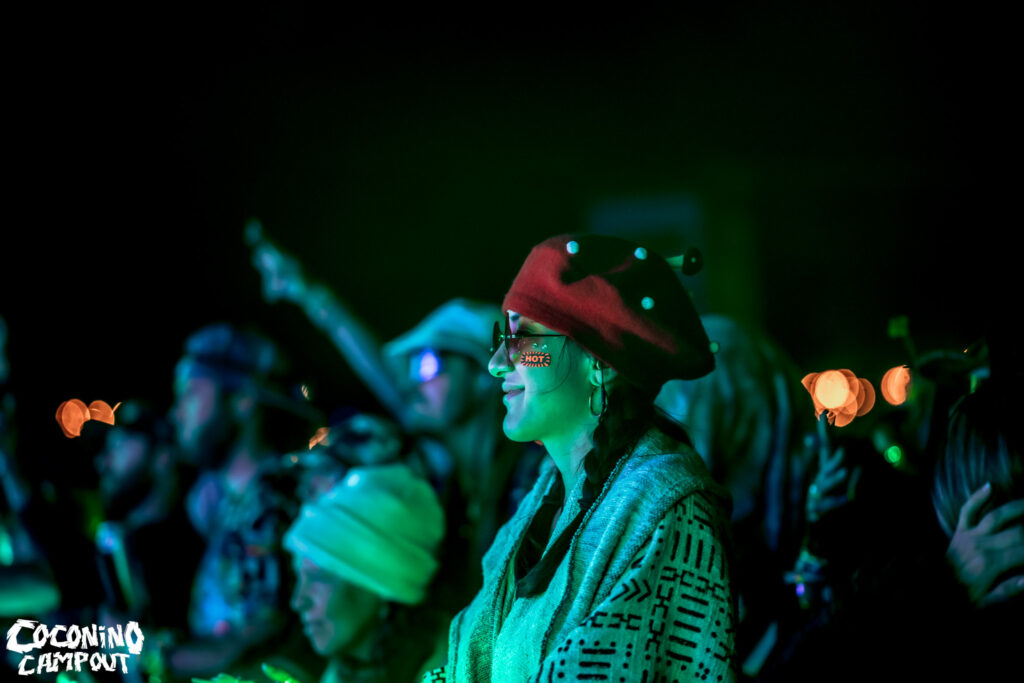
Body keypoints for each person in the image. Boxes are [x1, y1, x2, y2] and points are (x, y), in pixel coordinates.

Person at [434, 234, 738, 681]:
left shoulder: (668, 510)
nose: (497, 362)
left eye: (525, 338)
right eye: (504, 336)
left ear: (602, 363)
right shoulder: (543, 498)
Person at [250, 224, 542, 610]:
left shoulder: (532, 477)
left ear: (481, 377)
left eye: (429, 363)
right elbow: (383, 373)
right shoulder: (447, 479)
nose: (413, 380)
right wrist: (307, 292)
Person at [160, 322, 320, 681]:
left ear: (243, 401)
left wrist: (151, 656)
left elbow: (255, 642)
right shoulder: (228, 501)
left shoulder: (271, 504)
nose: (177, 413)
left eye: (190, 395)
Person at [284, 463, 448, 683]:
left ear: (380, 586)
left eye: (317, 577)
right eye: (298, 577)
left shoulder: (458, 671)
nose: (298, 601)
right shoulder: (340, 675)